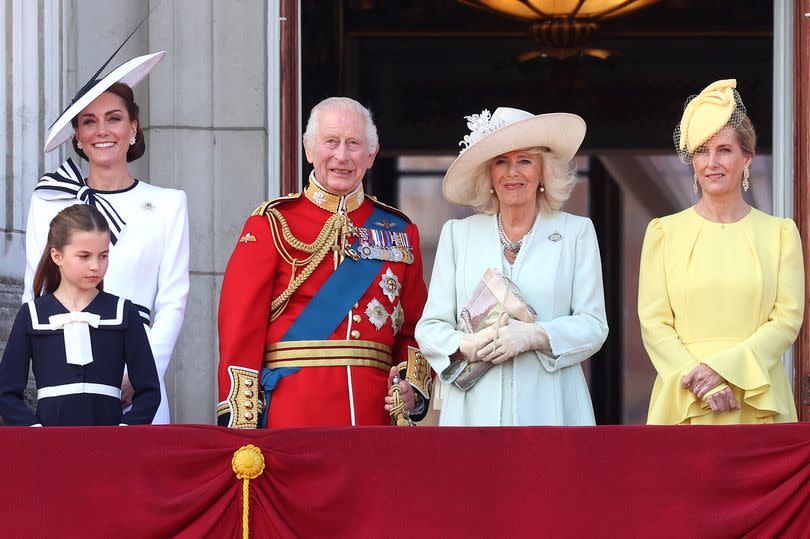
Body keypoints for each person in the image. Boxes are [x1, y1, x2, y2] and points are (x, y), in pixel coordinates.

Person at [217, 97, 431, 428]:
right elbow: (240, 329)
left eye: (354, 144)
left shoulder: (401, 231)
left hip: (372, 417)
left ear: (371, 155)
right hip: (290, 416)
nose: (341, 156)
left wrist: (410, 390)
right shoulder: (272, 223)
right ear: (308, 149)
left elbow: (414, 329)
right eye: (331, 142)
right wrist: (242, 424)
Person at [415, 107, 608, 426]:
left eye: (524, 161)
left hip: (552, 407)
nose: (512, 172)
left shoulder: (577, 232)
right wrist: (467, 345)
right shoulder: (457, 235)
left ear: (543, 171)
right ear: (488, 174)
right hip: (472, 412)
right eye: (501, 161)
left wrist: (535, 335)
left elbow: (593, 325)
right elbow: (430, 327)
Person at [23, 51, 189, 425]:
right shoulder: (49, 200)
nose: (102, 130)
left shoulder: (167, 204)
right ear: (77, 137)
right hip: (66, 373)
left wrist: (143, 375)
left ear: (133, 127)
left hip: (138, 370)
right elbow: (34, 293)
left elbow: (173, 302)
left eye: (114, 118)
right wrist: (55, 371)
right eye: (89, 122)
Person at [639, 79, 804, 424]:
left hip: (756, 395)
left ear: (746, 158)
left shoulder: (780, 234)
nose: (712, 162)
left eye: (724, 150)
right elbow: (654, 324)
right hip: (684, 395)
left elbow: (787, 320)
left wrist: (727, 371)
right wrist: (701, 381)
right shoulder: (663, 233)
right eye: (701, 150)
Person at [0, 205, 160, 426]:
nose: (96, 266)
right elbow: (6, 393)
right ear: (57, 256)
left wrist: (125, 432)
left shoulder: (125, 312)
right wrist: (34, 432)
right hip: (50, 446)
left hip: (110, 446)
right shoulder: (32, 314)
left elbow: (149, 391)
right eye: (84, 256)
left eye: (103, 256)